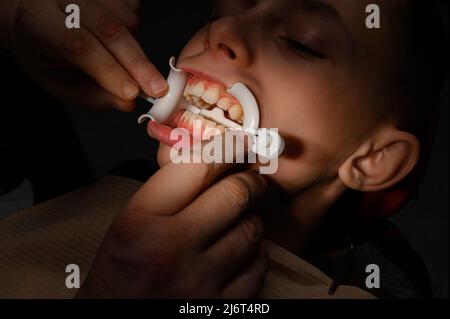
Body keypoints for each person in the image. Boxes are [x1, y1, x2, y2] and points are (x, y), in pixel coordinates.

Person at [0, 0, 447, 298]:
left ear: (372, 160)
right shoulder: (105, 184)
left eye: (300, 43)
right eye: (220, 9)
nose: (223, 30)